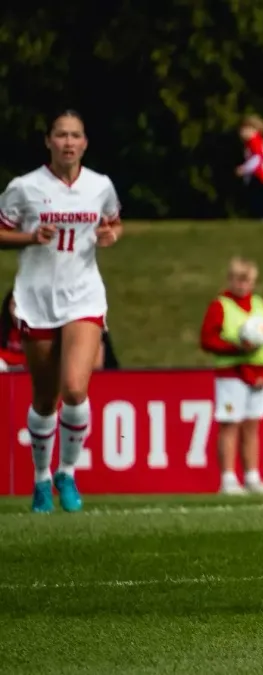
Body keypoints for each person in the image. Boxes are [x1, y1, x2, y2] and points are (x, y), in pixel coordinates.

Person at [0, 110, 122, 513]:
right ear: (48, 141)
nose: (68, 142)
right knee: (44, 398)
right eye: (61, 135)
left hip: (83, 295)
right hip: (36, 299)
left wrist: (109, 235)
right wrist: (29, 236)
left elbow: (113, 223)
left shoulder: (100, 186)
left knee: (74, 388)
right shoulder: (25, 188)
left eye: (76, 136)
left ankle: (68, 471)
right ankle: (41, 479)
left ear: (85, 142)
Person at [199, 256, 263, 496]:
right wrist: (237, 348)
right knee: (230, 424)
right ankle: (227, 479)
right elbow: (207, 339)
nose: (242, 285)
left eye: (247, 281)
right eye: (238, 280)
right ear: (230, 280)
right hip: (231, 374)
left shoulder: (259, 304)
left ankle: (252, 477)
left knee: (252, 425)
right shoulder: (220, 306)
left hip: (257, 375)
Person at [0, 289, 24, 370]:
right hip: (6, 367)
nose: (17, 310)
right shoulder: (3, 325)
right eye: (14, 304)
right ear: (8, 306)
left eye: (21, 305)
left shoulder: (37, 328)